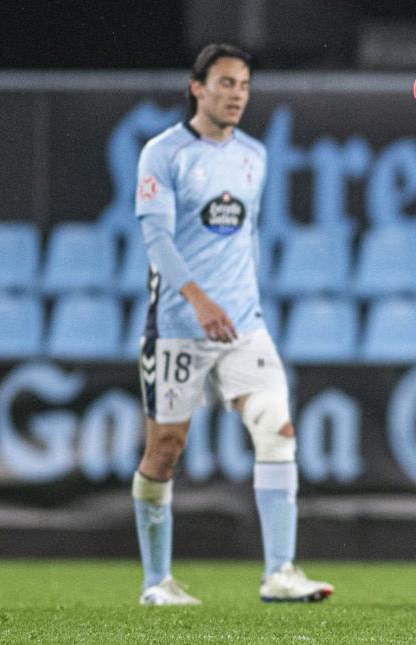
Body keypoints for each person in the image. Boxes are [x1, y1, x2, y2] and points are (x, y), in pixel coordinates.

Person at [130, 43, 333, 606]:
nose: (236, 94)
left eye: (243, 84)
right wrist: (198, 300)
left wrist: (238, 303)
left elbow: (240, 240)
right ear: (196, 87)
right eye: (224, 83)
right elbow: (157, 241)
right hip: (179, 324)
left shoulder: (254, 155)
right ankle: (156, 581)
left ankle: (281, 572)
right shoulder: (163, 154)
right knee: (165, 451)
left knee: (278, 429)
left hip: (244, 324)